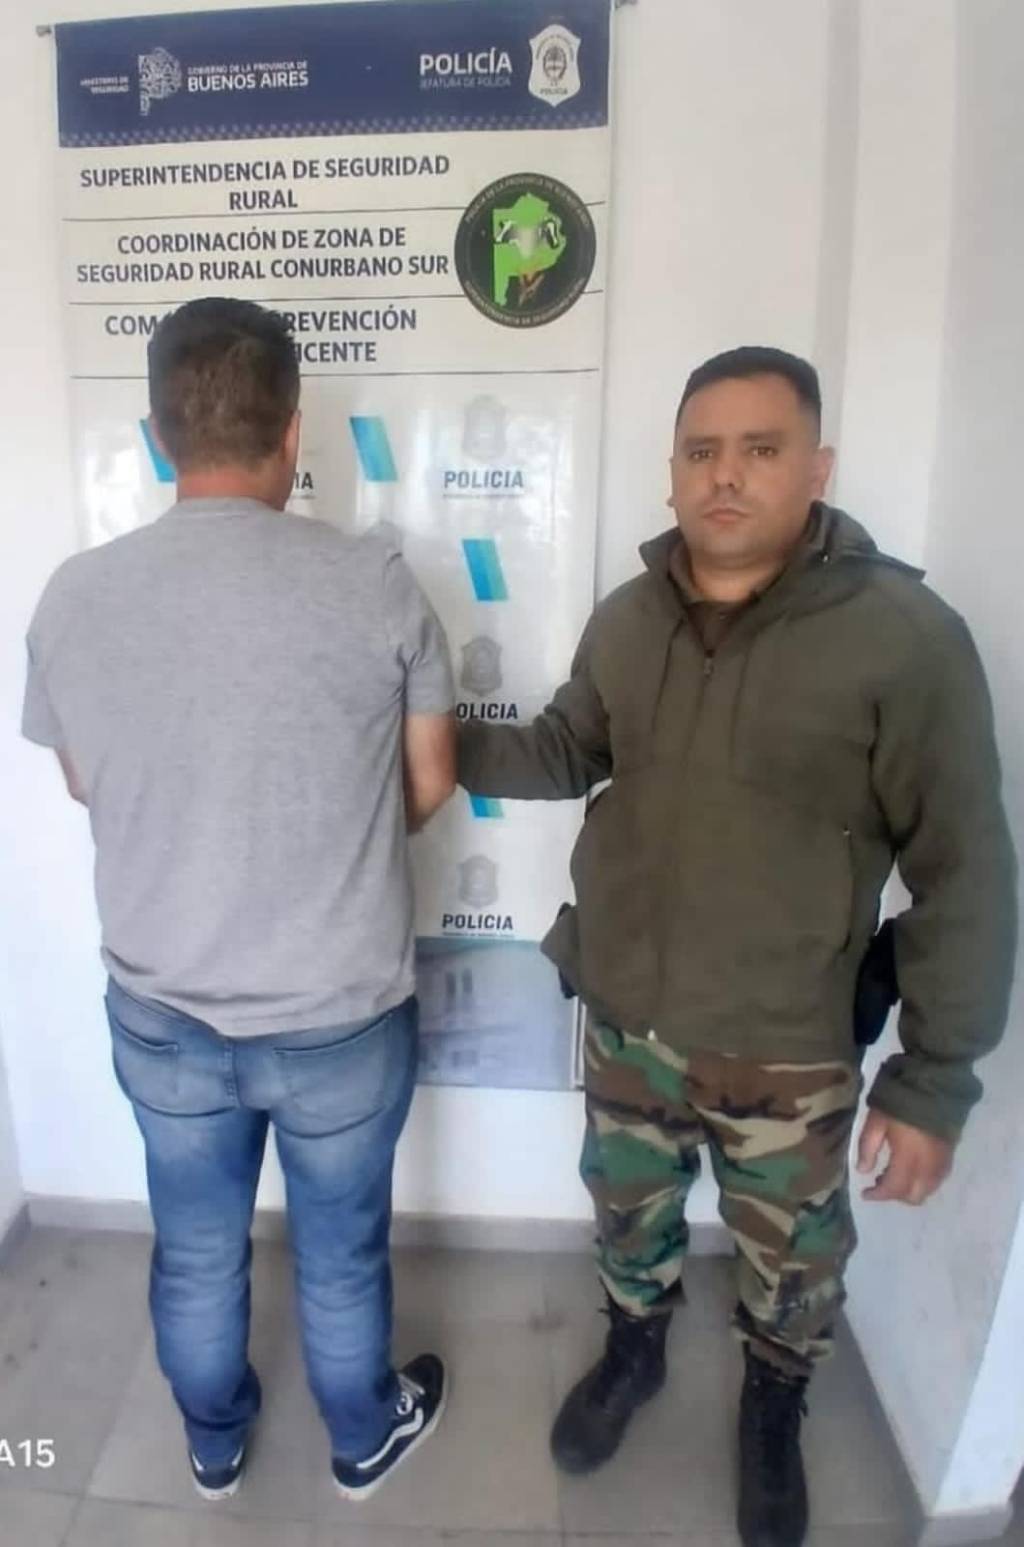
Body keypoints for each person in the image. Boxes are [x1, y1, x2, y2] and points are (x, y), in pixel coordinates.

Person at [457, 346, 1017, 1547]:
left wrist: (933, 1080)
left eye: (760, 449)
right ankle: (634, 1349)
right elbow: (563, 750)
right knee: (627, 1214)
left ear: (816, 468)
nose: (726, 475)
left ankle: (773, 1402)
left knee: (792, 1258)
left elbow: (963, 869)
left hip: (787, 1045)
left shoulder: (903, 638)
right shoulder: (628, 618)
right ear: (671, 471)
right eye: (702, 450)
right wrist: (428, 736)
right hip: (628, 1019)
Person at [21, 298, 456, 1503]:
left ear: (159, 433)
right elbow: (429, 784)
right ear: (293, 430)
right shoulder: (376, 582)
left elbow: (85, 781)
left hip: (163, 1008)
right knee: (341, 1249)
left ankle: (212, 1442)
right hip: (340, 1012)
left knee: (197, 1244)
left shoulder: (72, 595)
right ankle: (360, 1436)